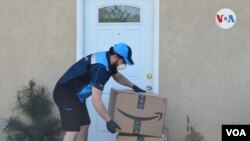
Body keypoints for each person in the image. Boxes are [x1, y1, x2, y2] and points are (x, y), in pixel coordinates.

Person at [53, 43, 146, 141]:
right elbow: (96, 100)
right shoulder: (100, 68)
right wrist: (108, 121)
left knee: (84, 124)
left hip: (76, 96)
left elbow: (118, 76)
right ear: (115, 56)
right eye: (123, 61)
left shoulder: (108, 59)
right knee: (73, 130)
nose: (124, 64)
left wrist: (134, 86)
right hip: (65, 93)